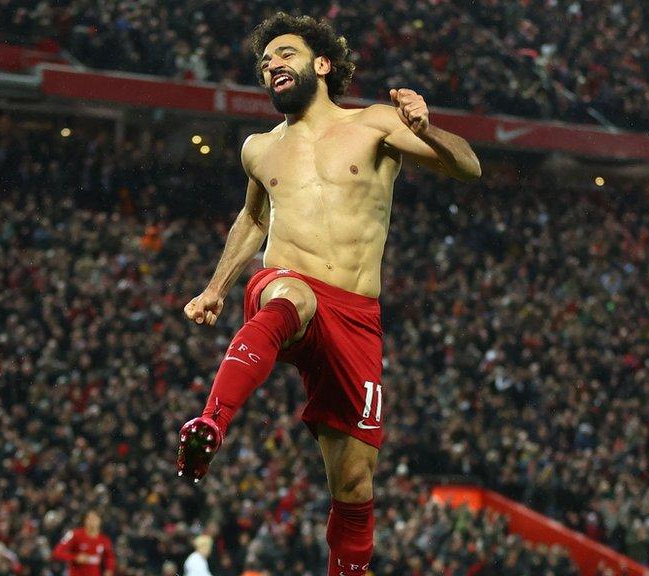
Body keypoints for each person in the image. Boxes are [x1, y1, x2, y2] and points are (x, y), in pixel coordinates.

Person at [176, 12, 481, 576]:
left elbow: (469, 166)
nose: (271, 66)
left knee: (353, 479)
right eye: (264, 62)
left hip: (357, 314)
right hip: (288, 287)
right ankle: (211, 422)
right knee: (289, 296)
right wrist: (215, 287)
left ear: (320, 64)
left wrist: (426, 126)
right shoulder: (259, 149)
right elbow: (252, 219)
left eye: (283, 55)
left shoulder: (375, 125)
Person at [51, 510, 117, 576]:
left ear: (100, 521)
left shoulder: (104, 540)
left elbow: (110, 558)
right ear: (85, 521)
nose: (92, 522)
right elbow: (57, 552)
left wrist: (109, 570)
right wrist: (75, 557)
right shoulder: (74, 534)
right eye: (89, 519)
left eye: (95, 519)